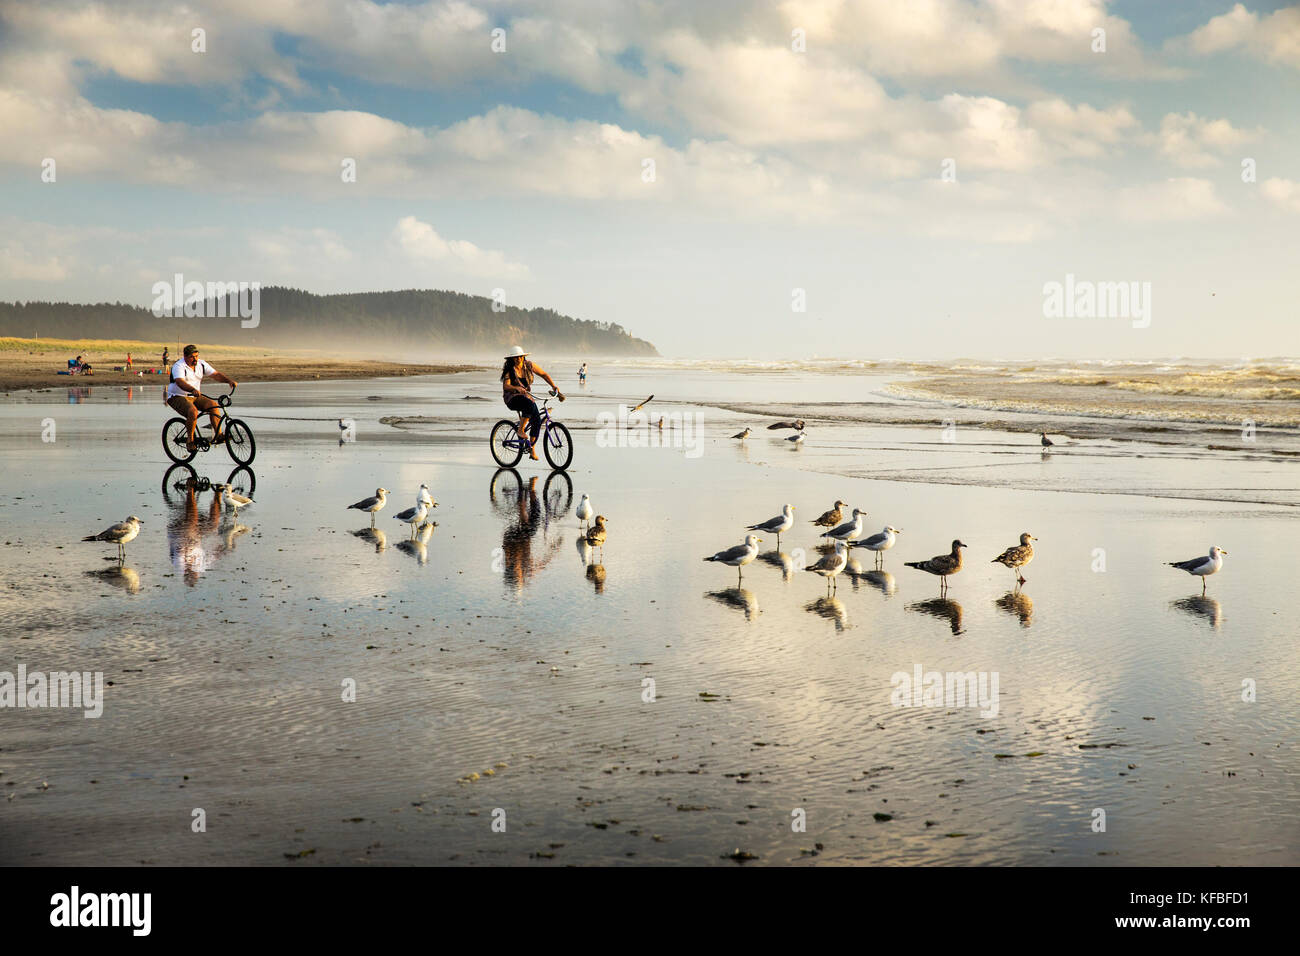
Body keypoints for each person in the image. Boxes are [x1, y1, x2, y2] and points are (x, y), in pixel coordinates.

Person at [166, 344, 237, 452]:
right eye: (192, 357)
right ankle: (190, 441)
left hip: (194, 396)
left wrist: (229, 381)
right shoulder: (179, 366)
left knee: (213, 405)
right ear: (185, 356)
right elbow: (179, 382)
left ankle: (218, 435)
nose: (195, 359)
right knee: (192, 412)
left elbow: (216, 374)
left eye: (196, 356)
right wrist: (192, 390)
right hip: (177, 396)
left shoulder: (201, 364)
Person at [500, 345, 564, 461]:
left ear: (523, 357)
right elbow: (506, 385)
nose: (518, 359)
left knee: (537, 421)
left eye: (520, 357)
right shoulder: (510, 370)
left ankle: (532, 448)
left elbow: (544, 374)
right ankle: (520, 430)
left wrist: (553, 386)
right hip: (512, 398)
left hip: (526, 397)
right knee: (529, 405)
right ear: (512, 359)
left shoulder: (529, 365)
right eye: (515, 357)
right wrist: (516, 388)